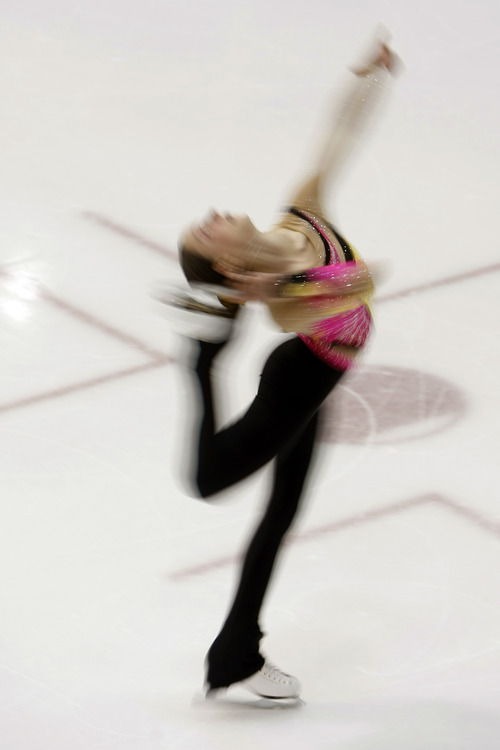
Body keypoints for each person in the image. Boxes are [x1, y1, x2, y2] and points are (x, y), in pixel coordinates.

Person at [167, 36, 400, 699]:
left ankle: (235, 655)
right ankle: (201, 362)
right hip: (299, 381)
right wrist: (280, 287)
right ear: (235, 269)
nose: (211, 216)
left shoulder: (300, 215)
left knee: (280, 517)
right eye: (205, 233)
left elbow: (337, 139)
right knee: (211, 479)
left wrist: (369, 80)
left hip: (311, 373)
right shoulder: (287, 295)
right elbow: (356, 284)